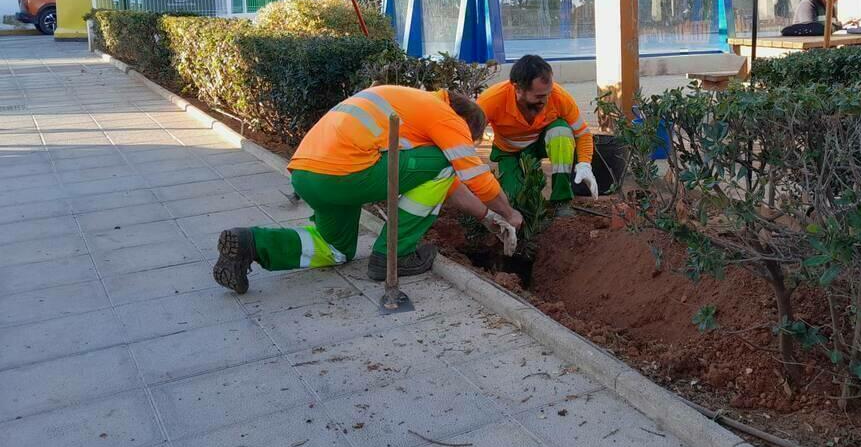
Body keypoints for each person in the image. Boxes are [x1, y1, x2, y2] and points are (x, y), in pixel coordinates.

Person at [212, 86, 523, 294]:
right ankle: (395, 253)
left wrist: (487, 218)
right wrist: (509, 214)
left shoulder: (410, 103)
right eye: (467, 139)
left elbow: (449, 184)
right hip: (345, 173)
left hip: (309, 175)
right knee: (446, 161)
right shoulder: (445, 116)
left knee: (335, 250)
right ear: (464, 122)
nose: (463, 143)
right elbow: (470, 174)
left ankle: (251, 242)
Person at [476, 55, 598, 214]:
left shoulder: (559, 97)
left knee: (561, 131)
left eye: (548, 93)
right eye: (539, 96)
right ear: (518, 89)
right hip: (508, 152)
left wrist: (584, 164)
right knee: (517, 203)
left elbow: (582, 134)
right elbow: (465, 136)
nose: (546, 100)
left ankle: (561, 200)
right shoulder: (491, 100)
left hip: (539, 144)